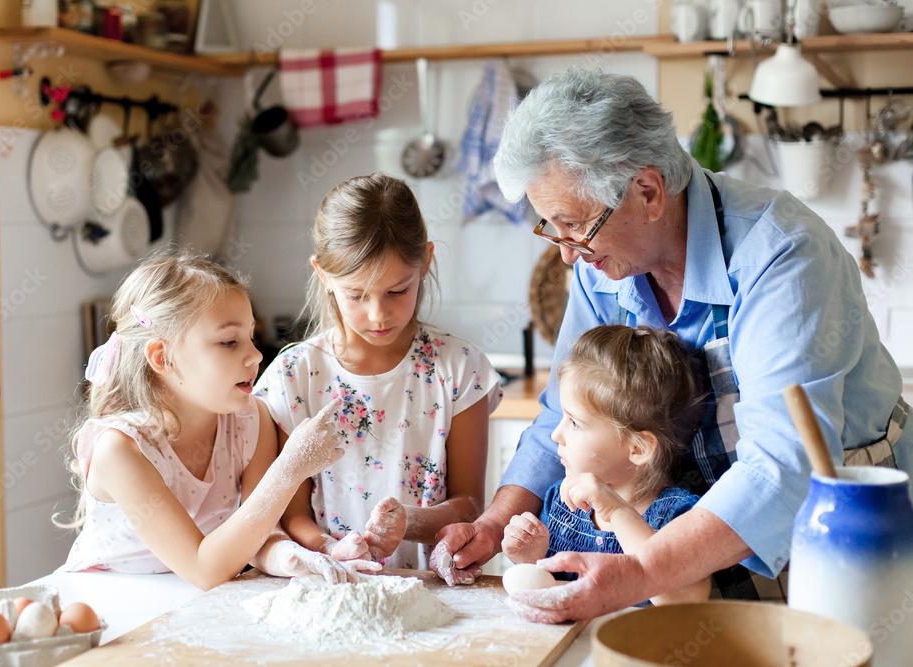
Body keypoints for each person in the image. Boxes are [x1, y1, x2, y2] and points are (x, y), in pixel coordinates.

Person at [433, 69, 911, 622]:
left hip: (837, 528)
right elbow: (557, 416)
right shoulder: (604, 267)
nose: (566, 254)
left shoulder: (781, 254)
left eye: (575, 226)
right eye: (551, 227)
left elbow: (783, 464)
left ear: (649, 191)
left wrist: (640, 572)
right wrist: (495, 523)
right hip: (696, 534)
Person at [58, 251, 377, 589]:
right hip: (109, 607)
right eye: (229, 342)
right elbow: (203, 567)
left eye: (251, 337)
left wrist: (299, 558)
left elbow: (258, 533)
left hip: (187, 607)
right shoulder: (121, 451)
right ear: (162, 358)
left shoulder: (251, 421)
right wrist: (291, 467)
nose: (255, 355)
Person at [254, 173, 503, 573]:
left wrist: (410, 522)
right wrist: (330, 548)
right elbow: (291, 514)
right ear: (322, 274)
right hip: (330, 586)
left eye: (397, 291)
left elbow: (470, 503)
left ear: (425, 262)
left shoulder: (459, 370)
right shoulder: (295, 377)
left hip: (431, 588)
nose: (378, 315)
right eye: (356, 294)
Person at [501, 325, 710, 606]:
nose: (556, 434)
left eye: (574, 422)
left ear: (637, 448)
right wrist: (532, 558)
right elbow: (555, 593)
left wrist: (615, 510)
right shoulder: (560, 502)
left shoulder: (677, 516)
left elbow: (685, 599)